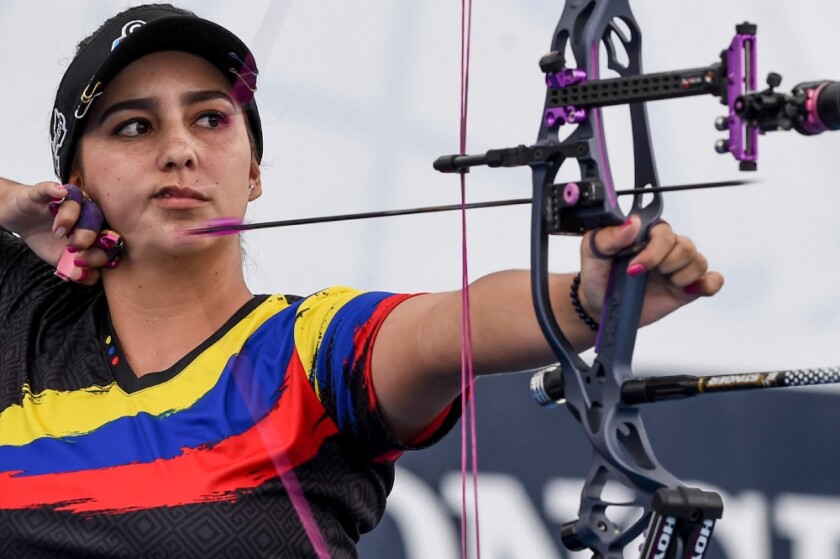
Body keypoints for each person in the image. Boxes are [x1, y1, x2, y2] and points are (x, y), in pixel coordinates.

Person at [0, 4, 723, 558]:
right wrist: (10, 205)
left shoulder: (309, 349)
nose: (182, 150)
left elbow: (445, 330)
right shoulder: (20, 317)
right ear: (73, 180)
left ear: (252, 172)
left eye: (212, 118)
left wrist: (588, 299)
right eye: (134, 127)